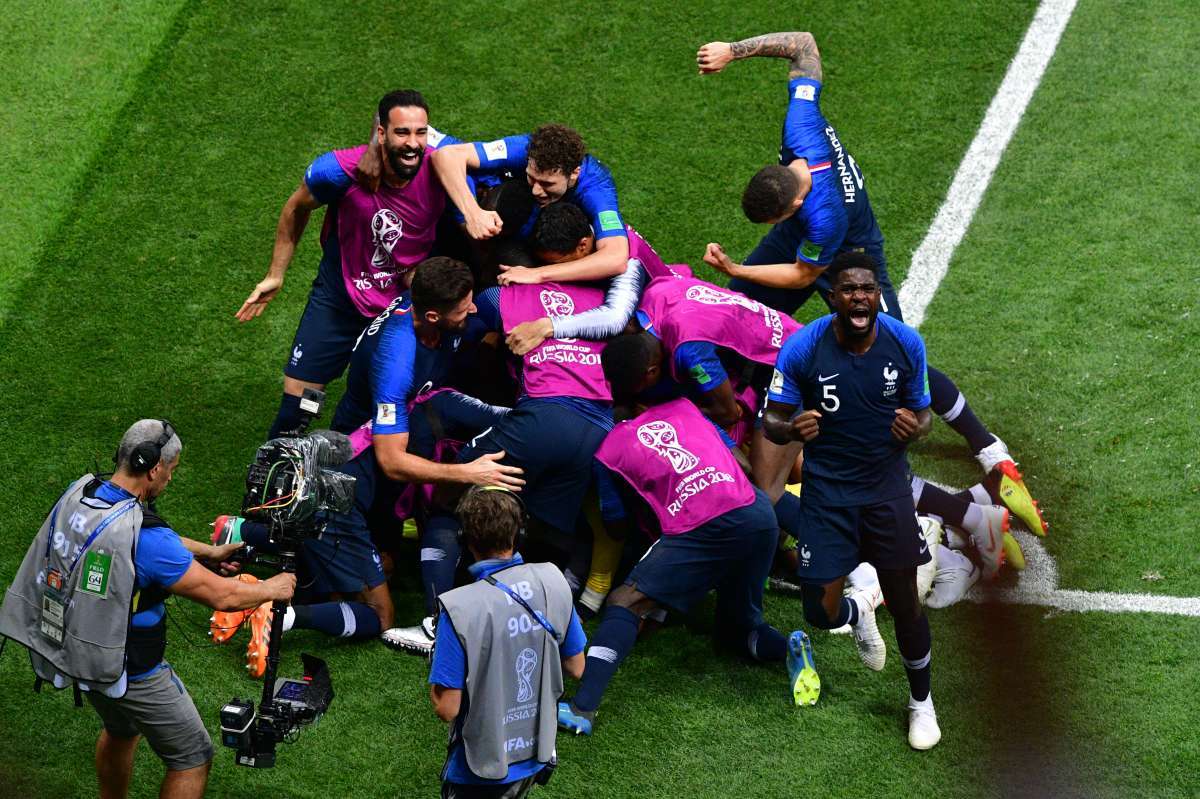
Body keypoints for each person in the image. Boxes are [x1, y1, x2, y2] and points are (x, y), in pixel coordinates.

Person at [696, 31, 1047, 539]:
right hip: (804, 241)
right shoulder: (801, 123)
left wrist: (738, 268)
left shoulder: (825, 216)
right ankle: (741, 415)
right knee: (737, 314)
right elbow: (803, 44)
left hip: (851, 259)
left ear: (791, 205)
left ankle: (987, 447)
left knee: (893, 355)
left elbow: (803, 274)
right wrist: (734, 51)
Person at [0, 420, 296, 799]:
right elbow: (223, 596)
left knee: (121, 731)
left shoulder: (83, 492)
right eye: (171, 470)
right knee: (191, 756)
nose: (170, 478)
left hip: (82, 651)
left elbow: (140, 536)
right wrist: (274, 587)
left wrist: (208, 552)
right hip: (132, 668)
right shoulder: (151, 541)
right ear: (153, 468)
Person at [762, 253, 941, 749]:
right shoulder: (803, 348)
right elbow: (771, 420)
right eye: (848, 289)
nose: (859, 296)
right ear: (832, 297)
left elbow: (925, 414)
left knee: (906, 605)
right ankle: (858, 611)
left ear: (877, 294)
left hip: (886, 493)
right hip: (827, 497)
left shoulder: (905, 343)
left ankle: (921, 703)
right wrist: (791, 427)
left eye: (867, 288)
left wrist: (916, 429)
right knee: (818, 614)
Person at [557, 397, 810, 736]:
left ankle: (582, 708)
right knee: (737, 629)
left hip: (702, 522)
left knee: (625, 601)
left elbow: (615, 526)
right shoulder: (685, 409)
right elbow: (745, 466)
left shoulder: (608, 450)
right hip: (757, 512)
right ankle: (788, 649)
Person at [235, 90, 460, 440]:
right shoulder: (339, 172)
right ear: (381, 134)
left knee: (385, 407)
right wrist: (275, 274)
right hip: (341, 297)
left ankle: (343, 457)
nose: (413, 143)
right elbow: (296, 207)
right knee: (299, 407)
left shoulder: (444, 165)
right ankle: (276, 468)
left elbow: (499, 160)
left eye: (421, 132)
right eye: (402, 132)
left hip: (400, 307)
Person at [430, 487, 586, 798]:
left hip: (480, 766)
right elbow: (577, 666)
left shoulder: (459, 607)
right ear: (519, 534)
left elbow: (447, 708)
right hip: (536, 751)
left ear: (465, 539)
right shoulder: (554, 580)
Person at [433, 124, 630, 283]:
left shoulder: (597, 188)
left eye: (547, 184)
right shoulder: (526, 148)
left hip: (542, 239)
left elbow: (616, 258)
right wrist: (472, 213)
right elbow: (447, 155)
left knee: (518, 261)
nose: (536, 190)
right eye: (531, 178)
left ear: (574, 173)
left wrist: (537, 274)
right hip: (512, 215)